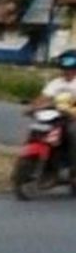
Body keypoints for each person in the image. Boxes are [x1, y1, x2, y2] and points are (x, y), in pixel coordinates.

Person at [29, 49, 76, 180]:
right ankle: (37, 165)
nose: (67, 71)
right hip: (56, 117)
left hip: (72, 118)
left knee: (73, 132)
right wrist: (32, 108)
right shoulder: (56, 82)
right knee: (38, 130)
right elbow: (43, 97)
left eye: (71, 67)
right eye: (65, 67)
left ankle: (74, 170)